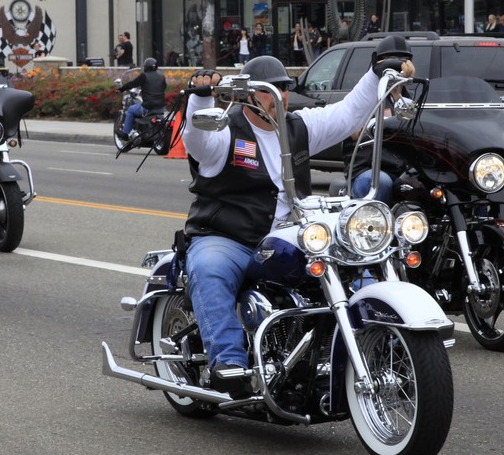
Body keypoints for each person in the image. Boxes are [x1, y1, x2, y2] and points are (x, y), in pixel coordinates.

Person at [179, 49, 413, 398]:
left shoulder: (298, 127)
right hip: (229, 236)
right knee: (210, 269)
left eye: (284, 87)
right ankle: (228, 362)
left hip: (287, 236)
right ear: (247, 95)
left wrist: (376, 74)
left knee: (351, 260)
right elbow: (196, 141)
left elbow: (347, 114)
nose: (280, 96)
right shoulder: (225, 133)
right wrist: (200, 97)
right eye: (268, 89)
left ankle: (379, 341)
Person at [348, 35, 418, 201]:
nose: (396, 65)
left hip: (402, 168)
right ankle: (376, 217)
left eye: (402, 60)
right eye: (389, 60)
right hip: (370, 169)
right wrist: (376, 126)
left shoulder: (408, 98)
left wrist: (397, 94)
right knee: (381, 182)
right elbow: (354, 131)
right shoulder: (367, 94)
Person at [117, 57, 167, 140]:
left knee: (131, 109)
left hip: (148, 107)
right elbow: (164, 87)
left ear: (146, 67)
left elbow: (132, 84)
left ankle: (125, 134)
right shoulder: (162, 77)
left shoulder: (144, 76)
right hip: (161, 107)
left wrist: (121, 89)